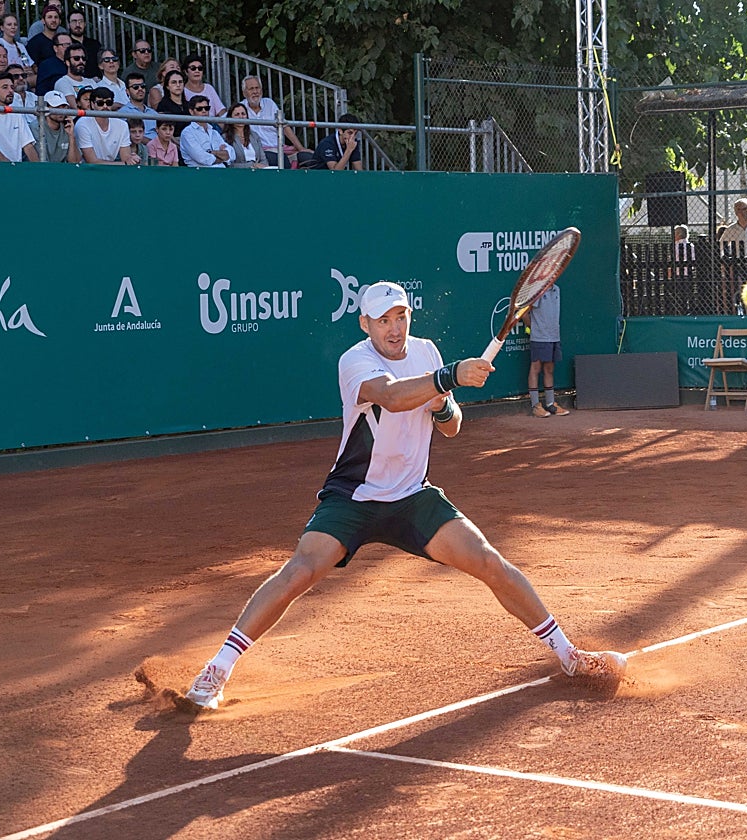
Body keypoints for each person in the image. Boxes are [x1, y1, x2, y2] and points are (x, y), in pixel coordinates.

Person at [172, 281, 627, 712]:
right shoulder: (355, 360)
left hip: (412, 497)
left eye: (401, 316)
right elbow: (389, 397)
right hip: (354, 497)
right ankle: (217, 671)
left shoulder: (426, 351)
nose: (394, 327)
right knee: (300, 572)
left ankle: (569, 656)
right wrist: (447, 377)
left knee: (489, 561)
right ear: (365, 324)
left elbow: (452, 427)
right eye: (383, 319)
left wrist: (443, 401)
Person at [241, 74, 312, 167]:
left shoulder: (269, 103)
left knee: (308, 158)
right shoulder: (240, 109)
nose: (255, 91)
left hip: (280, 149)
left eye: (257, 88)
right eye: (251, 89)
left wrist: (301, 148)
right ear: (244, 93)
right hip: (261, 153)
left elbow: (284, 126)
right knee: (280, 160)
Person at [523, 283, 570, 417]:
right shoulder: (536, 290)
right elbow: (524, 313)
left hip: (554, 336)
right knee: (535, 368)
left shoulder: (556, 289)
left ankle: (550, 404)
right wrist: (535, 329)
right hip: (539, 337)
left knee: (549, 369)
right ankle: (536, 406)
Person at [73, 85, 137, 164]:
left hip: (111, 171)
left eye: (108, 103)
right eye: (100, 103)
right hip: (87, 170)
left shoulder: (122, 125)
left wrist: (131, 160)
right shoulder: (83, 124)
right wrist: (124, 164)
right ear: (92, 104)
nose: (105, 106)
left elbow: (126, 157)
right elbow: (92, 161)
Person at [179, 93, 232, 167]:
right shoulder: (187, 133)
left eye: (207, 108)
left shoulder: (214, 132)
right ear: (191, 111)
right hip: (200, 174)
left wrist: (214, 153)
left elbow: (231, 154)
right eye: (199, 109)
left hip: (221, 171)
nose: (204, 111)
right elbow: (202, 158)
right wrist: (221, 157)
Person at [221, 99, 264, 168]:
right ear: (230, 118)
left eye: (243, 114)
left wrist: (261, 167)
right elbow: (228, 164)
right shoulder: (225, 137)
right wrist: (251, 166)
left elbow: (263, 160)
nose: (241, 117)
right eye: (237, 114)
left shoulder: (254, 135)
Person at [38, 87, 77, 162]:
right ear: (46, 108)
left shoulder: (67, 127)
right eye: (56, 107)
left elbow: (74, 163)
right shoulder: (36, 127)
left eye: (63, 106)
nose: (61, 110)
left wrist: (71, 136)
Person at [116, 70, 156, 139]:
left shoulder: (153, 113)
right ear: (127, 91)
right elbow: (129, 137)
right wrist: (153, 144)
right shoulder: (122, 113)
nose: (140, 89)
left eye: (142, 86)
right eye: (135, 87)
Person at [50, 40, 87, 107]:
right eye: (76, 58)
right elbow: (74, 106)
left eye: (83, 58)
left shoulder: (91, 82)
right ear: (67, 62)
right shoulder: (62, 82)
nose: (81, 61)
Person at [31, 28, 66, 95]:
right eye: (64, 45)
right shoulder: (47, 65)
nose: (68, 47)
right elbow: (41, 91)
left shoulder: (77, 62)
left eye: (70, 44)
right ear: (55, 48)